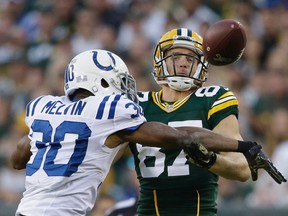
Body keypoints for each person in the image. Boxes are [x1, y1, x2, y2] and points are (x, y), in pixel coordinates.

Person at [10, 49, 284, 216]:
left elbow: (18, 158)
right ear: (102, 80)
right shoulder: (108, 109)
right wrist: (243, 146)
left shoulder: (46, 107)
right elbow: (183, 136)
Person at [127, 27, 284, 216]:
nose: (183, 63)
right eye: (175, 57)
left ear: (201, 64)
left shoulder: (213, 98)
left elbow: (242, 169)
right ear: (160, 61)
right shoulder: (137, 104)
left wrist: (210, 160)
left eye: (190, 58)